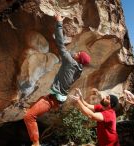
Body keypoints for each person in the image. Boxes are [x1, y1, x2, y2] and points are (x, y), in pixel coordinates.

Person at [23, 14, 91, 146]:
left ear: (78, 59)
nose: (76, 53)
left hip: (52, 99)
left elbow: (60, 43)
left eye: (78, 54)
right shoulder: (78, 70)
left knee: (29, 117)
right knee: (32, 108)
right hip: (56, 99)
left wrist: (59, 22)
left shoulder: (71, 62)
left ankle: (36, 143)